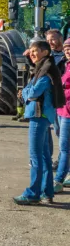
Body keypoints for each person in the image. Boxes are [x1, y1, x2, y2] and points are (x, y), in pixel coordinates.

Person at [13, 40, 66, 205]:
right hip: (43, 115)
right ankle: (46, 192)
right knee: (44, 156)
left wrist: (26, 91)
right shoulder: (43, 67)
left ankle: (33, 194)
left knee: (36, 156)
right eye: (31, 51)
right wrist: (28, 90)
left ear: (45, 52)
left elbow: (33, 92)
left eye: (35, 50)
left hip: (39, 114)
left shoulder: (46, 69)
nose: (32, 53)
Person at [54, 38, 70, 192]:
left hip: (68, 111)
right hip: (60, 109)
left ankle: (58, 181)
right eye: (66, 48)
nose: (67, 50)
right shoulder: (64, 64)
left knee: (64, 148)